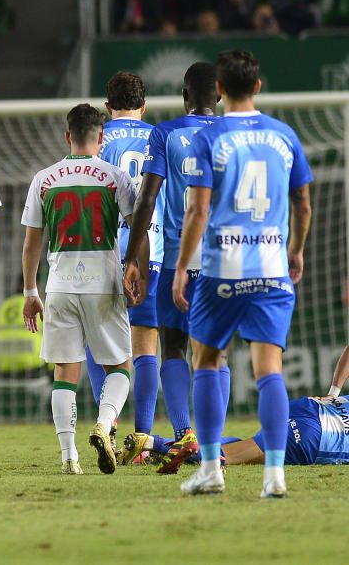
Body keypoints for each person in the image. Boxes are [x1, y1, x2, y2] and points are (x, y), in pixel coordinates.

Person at [173, 49, 313, 498]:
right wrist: (296, 250)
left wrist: (181, 268)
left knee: (207, 361)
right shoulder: (284, 135)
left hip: (221, 270)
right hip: (272, 267)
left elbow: (197, 210)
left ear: (219, 89)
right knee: (269, 369)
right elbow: (304, 203)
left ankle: (212, 468)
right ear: (257, 86)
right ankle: (274, 476)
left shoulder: (209, 138)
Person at [121, 62, 224, 475]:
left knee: (174, 345)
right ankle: (212, 442)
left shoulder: (166, 133)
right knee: (216, 352)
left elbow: (146, 201)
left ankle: (184, 434)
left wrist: (133, 256)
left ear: (184, 95)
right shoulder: (235, 134)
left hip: (182, 258)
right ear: (218, 94)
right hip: (227, 258)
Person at [22, 103, 136, 475]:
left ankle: (69, 457)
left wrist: (29, 291)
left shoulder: (44, 178)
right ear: (101, 138)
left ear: (67, 136)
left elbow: (31, 243)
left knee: (64, 371)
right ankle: (104, 423)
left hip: (60, 284)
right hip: (103, 283)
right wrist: (136, 271)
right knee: (120, 365)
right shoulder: (114, 176)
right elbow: (136, 226)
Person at [79, 72, 162, 464]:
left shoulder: (97, 140)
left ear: (107, 106)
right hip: (150, 251)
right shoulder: (159, 138)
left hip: (102, 252)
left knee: (101, 346)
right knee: (146, 343)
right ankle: (142, 439)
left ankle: (107, 425)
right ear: (144, 107)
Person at [130, 396, 349, 467]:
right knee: (229, 456)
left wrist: (333, 391)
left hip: (308, 407)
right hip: (312, 437)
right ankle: (152, 443)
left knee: (248, 448)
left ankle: (156, 450)